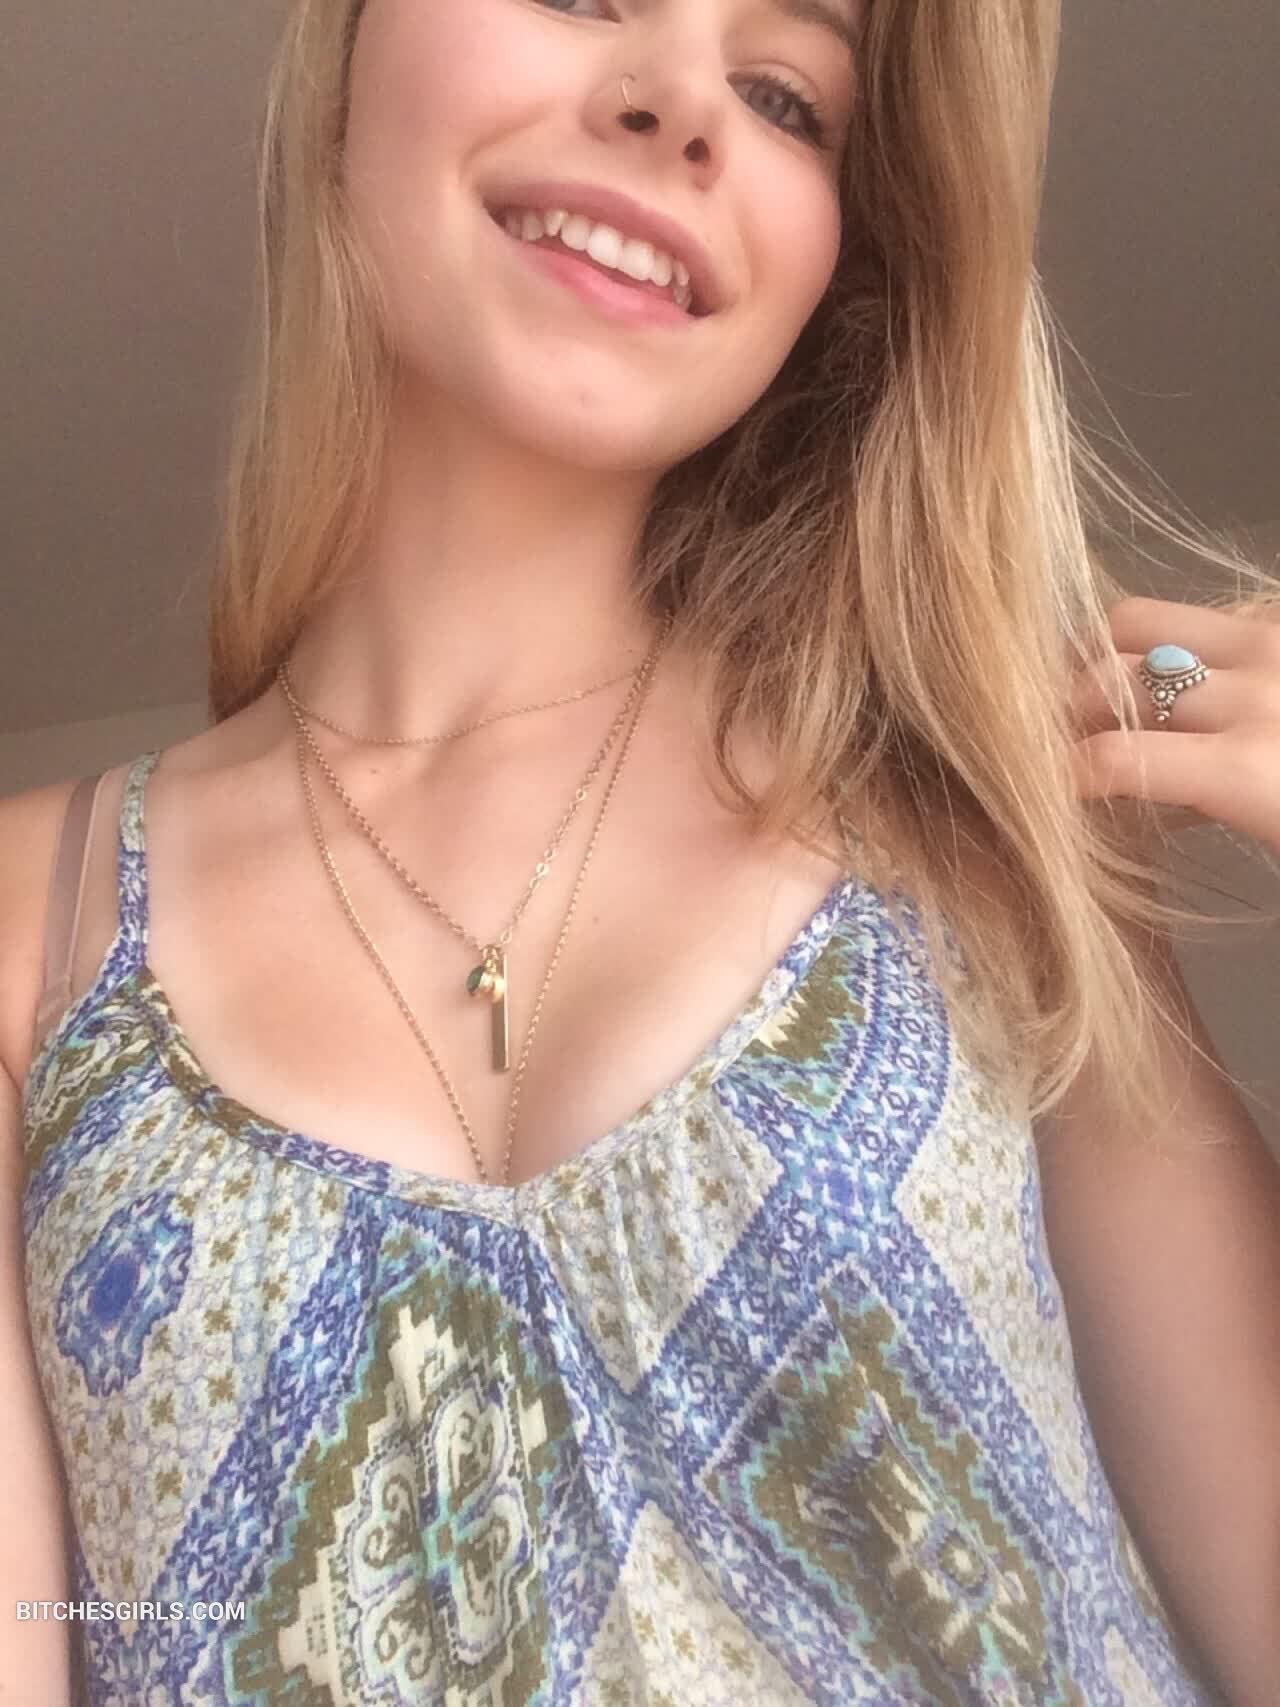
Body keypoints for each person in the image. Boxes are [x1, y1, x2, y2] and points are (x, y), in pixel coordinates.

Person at [2, 0, 1278, 1700]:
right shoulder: (26, 932)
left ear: (847, 261)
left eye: (786, 96)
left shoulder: (980, 806)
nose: (682, 103)